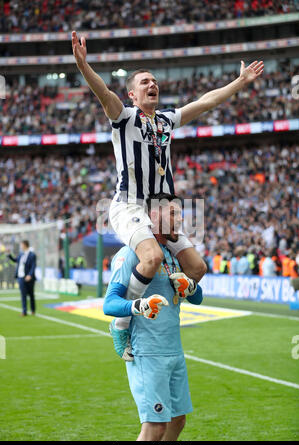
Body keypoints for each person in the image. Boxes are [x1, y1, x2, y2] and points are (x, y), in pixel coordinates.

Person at [72, 30, 263, 310]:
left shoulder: (166, 120)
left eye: (155, 81)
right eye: (145, 82)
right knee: (152, 257)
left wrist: (240, 81)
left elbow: (206, 102)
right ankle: (123, 320)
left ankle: (173, 297)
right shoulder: (124, 117)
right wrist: (83, 66)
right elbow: (104, 93)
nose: (153, 85)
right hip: (130, 205)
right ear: (132, 94)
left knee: (197, 269)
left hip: (162, 211)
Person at [103, 193, 203, 441]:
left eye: (179, 213)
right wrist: (140, 305)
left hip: (174, 350)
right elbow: (110, 304)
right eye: (172, 214)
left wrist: (190, 287)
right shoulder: (129, 254)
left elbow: (198, 298)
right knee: (154, 427)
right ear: (154, 216)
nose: (179, 220)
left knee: (177, 421)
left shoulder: (171, 254)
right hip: (146, 352)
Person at [7, 240, 36, 316]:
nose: (21, 246)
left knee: (31, 294)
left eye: (21, 245)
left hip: (29, 277)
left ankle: (33, 310)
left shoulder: (32, 255)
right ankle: (24, 311)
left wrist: (30, 275)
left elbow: (33, 266)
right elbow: (15, 260)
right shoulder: (21, 254)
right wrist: (9, 254)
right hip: (21, 277)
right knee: (23, 294)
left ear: (25, 245)